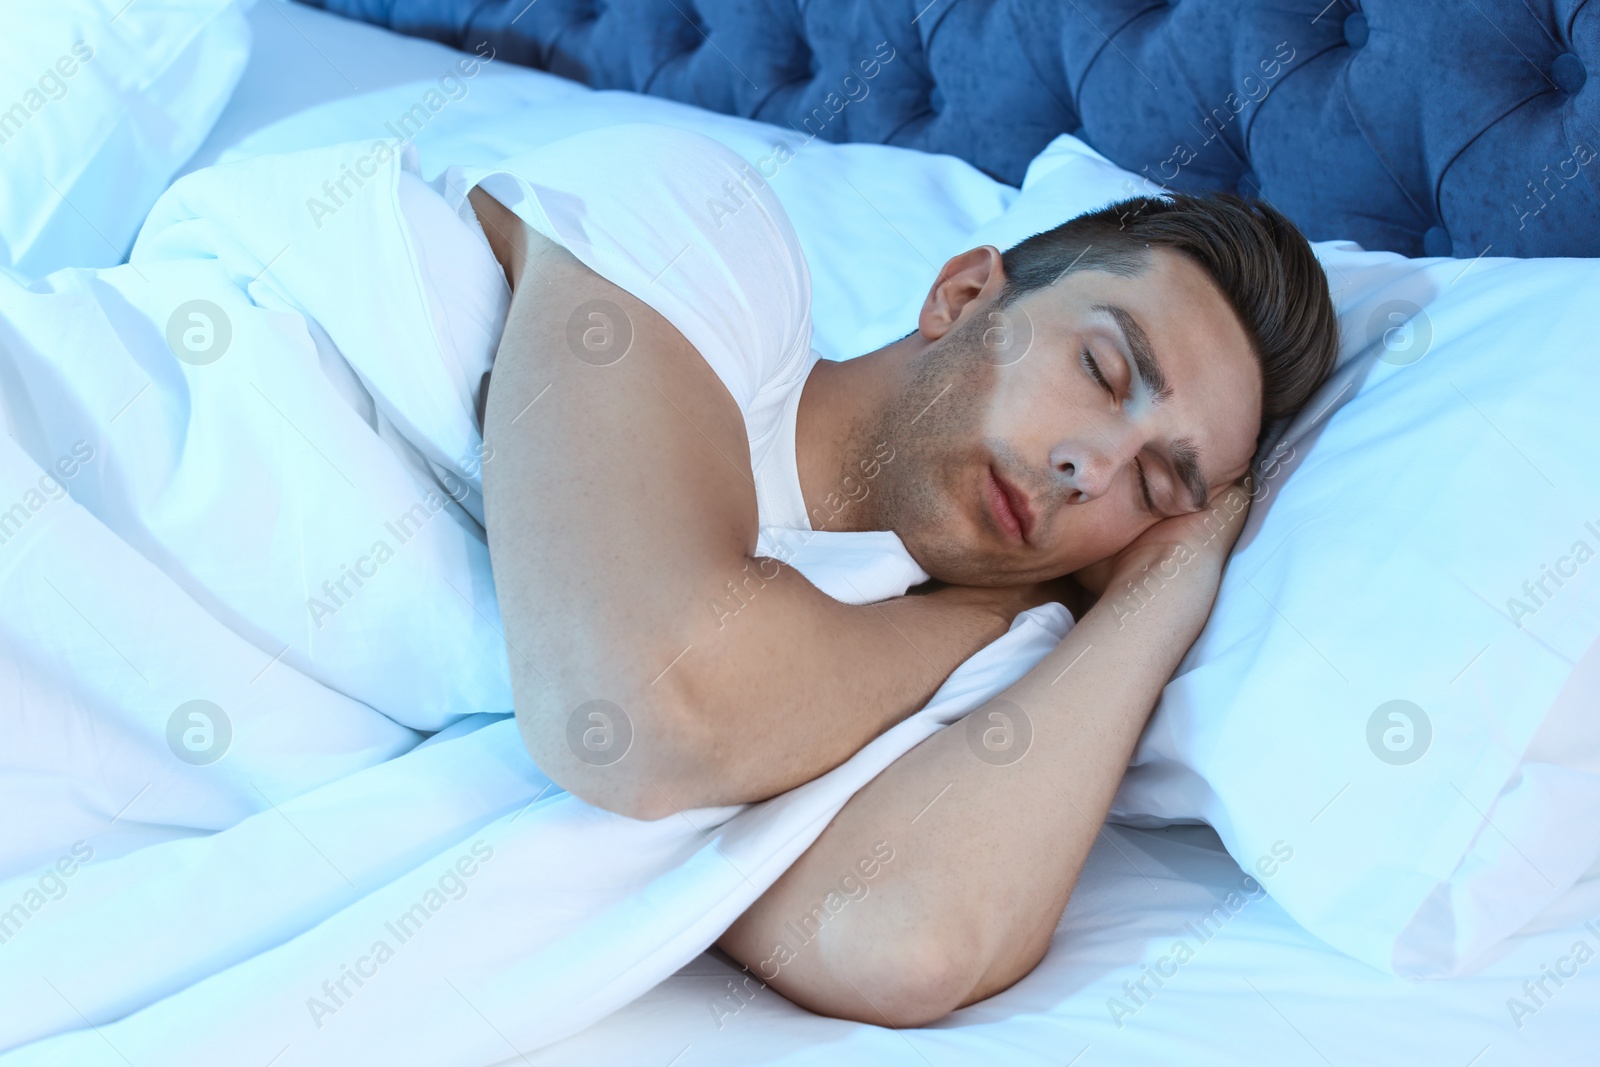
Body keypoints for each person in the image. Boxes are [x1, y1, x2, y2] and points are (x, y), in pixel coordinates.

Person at [458, 123, 1339, 1025]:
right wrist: (989, 608)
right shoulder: (702, 229)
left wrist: (1161, 592)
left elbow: (894, 938)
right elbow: (637, 715)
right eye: (1101, 372)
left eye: (1155, 487)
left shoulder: (973, 667)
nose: (1094, 469)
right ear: (962, 297)